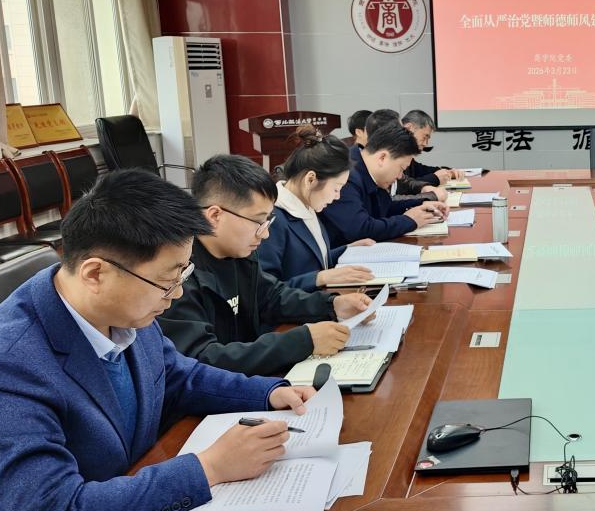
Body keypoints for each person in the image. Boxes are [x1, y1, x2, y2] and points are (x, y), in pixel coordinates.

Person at [0, 170, 315, 511]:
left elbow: (177, 374)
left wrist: (269, 392)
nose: (177, 294)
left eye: (183, 274)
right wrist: (210, 467)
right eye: (167, 281)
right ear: (95, 273)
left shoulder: (122, 307)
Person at [159, 155, 373, 377]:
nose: (266, 233)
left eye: (268, 221)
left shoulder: (239, 254)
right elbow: (203, 359)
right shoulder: (177, 275)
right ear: (215, 215)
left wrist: (332, 305)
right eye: (258, 221)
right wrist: (301, 341)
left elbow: (272, 296)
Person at [256, 126, 376, 292]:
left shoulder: (307, 205)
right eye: (336, 188)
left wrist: (347, 249)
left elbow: (308, 261)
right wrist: (320, 278)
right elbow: (265, 291)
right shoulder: (273, 219)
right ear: (311, 179)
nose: (337, 196)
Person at [320, 120, 448, 244]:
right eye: (401, 168)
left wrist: (422, 203)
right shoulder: (345, 174)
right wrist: (409, 220)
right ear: (382, 157)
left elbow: (385, 206)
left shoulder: (365, 168)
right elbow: (361, 229)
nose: (400, 176)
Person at [402, 109, 465, 186]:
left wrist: (448, 172)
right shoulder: (393, 152)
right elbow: (401, 187)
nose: (425, 144)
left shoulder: (406, 155)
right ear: (409, 128)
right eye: (425, 137)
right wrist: (435, 178)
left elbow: (422, 170)